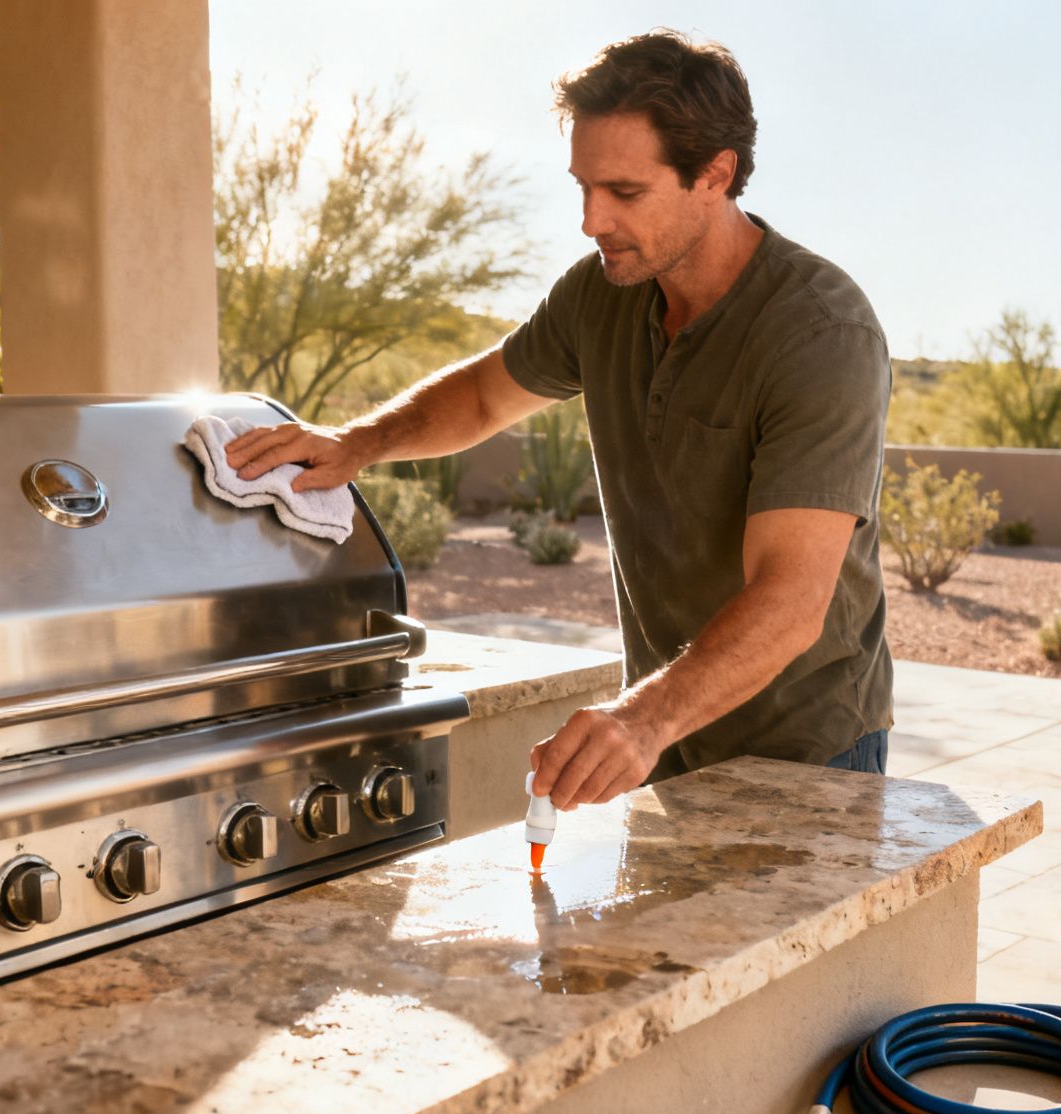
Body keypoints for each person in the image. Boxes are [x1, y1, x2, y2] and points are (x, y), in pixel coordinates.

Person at [225, 30, 893, 812]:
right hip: (666, 735)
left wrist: (640, 720)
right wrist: (358, 443)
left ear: (716, 174)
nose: (591, 220)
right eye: (582, 187)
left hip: (807, 752)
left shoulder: (820, 334)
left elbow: (791, 600)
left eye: (624, 193)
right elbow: (482, 397)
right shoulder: (599, 294)